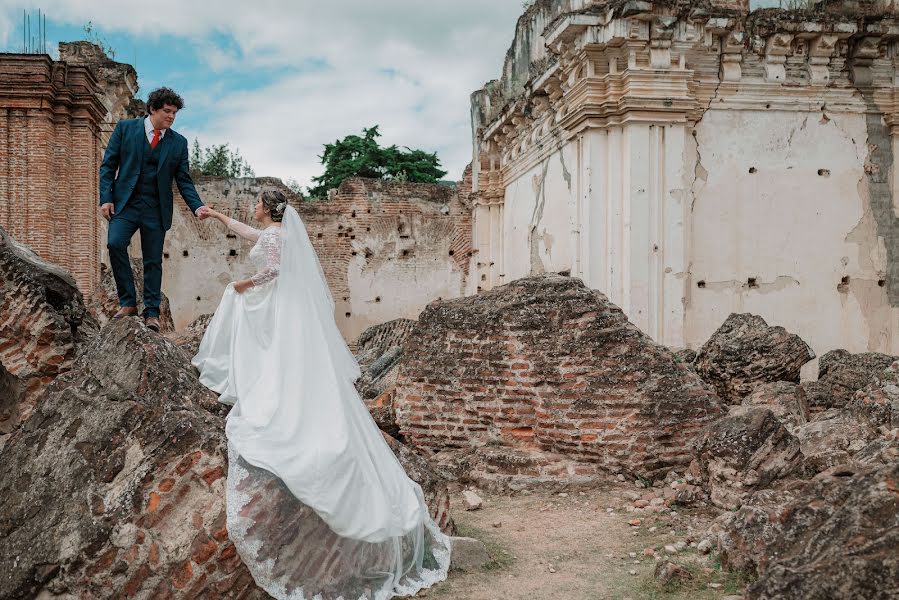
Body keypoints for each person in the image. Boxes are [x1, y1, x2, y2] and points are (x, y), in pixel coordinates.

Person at [192, 190, 451, 599]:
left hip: (278, 304)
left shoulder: (276, 239)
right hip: (286, 308)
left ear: (268, 207)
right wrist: (220, 217)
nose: (253, 208)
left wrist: (244, 282)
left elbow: (271, 270)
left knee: (241, 309)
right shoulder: (276, 232)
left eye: (257, 202)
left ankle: (260, 392)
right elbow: (249, 234)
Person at [99, 87, 209, 332]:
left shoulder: (178, 143)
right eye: (167, 111)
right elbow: (108, 166)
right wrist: (105, 198)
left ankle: (151, 313)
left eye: (174, 113)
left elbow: (184, 180)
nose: (171, 117)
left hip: (155, 209)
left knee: (153, 261)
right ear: (152, 109)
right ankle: (128, 302)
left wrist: (197, 206)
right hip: (125, 203)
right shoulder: (126, 129)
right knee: (114, 244)